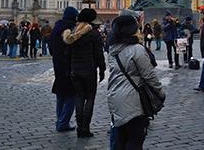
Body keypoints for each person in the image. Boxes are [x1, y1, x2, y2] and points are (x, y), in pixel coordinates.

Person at [108, 12, 164, 149]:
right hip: (134, 99)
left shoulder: (112, 49)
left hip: (114, 96)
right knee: (135, 139)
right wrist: (160, 92)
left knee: (120, 137)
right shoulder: (137, 49)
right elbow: (149, 76)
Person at [63, 8, 106, 138]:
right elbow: (99, 54)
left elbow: (68, 54)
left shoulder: (73, 33)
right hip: (89, 71)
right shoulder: (93, 34)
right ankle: (85, 128)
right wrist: (102, 69)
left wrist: (68, 70)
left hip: (75, 71)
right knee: (90, 98)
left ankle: (79, 127)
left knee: (79, 97)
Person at [50, 6, 79, 132]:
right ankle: (63, 122)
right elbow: (72, 48)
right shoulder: (70, 29)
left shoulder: (56, 28)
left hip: (58, 65)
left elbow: (51, 46)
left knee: (61, 95)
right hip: (68, 66)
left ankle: (60, 120)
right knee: (71, 95)